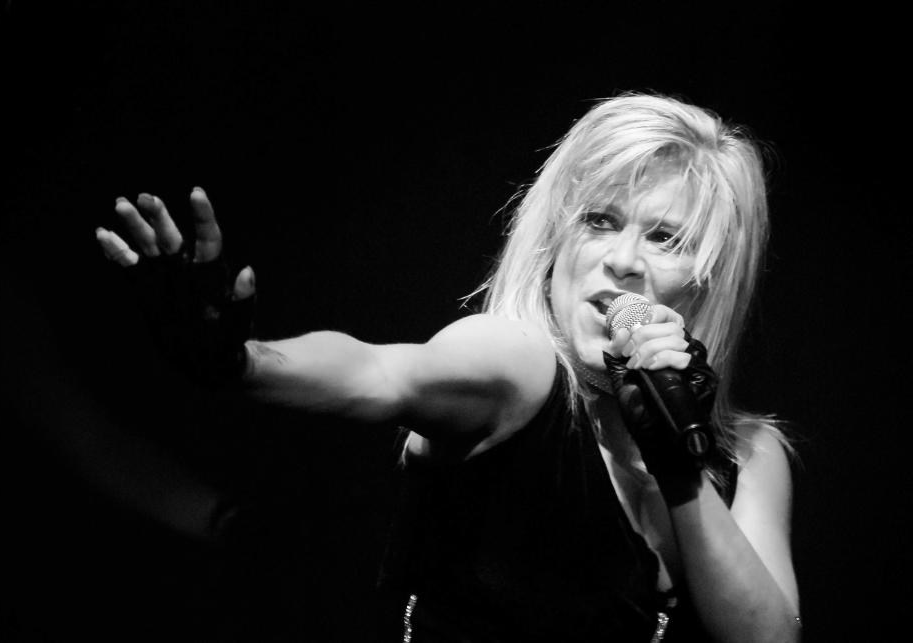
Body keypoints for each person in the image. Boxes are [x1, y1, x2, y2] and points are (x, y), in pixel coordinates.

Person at [95, 93, 800, 641]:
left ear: (711, 278)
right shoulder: (517, 362)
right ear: (558, 236)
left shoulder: (749, 455)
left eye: (665, 236)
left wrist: (680, 467)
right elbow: (381, 373)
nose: (622, 259)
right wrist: (245, 362)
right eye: (599, 219)